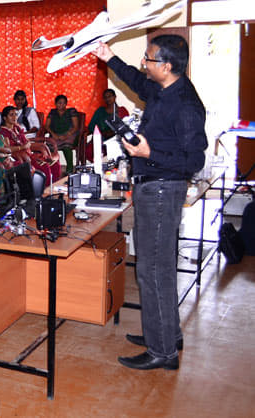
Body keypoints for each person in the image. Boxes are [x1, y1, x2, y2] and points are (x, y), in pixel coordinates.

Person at [94, 37, 206, 371]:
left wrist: (148, 154)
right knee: (161, 266)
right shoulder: (163, 87)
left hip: (161, 190)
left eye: (149, 58)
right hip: (152, 187)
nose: (145, 62)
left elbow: (193, 160)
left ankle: (162, 352)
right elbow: (136, 80)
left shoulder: (186, 104)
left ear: (167, 66)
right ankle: (167, 334)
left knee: (152, 270)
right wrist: (108, 57)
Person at [0, 106, 62, 185]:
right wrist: (23, 147)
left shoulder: (16, 127)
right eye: (11, 115)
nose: (14, 117)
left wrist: (40, 147)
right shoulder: (2, 132)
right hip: (18, 157)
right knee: (44, 166)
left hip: (28, 153)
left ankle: (55, 187)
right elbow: (7, 149)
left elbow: (25, 141)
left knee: (55, 164)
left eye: (16, 114)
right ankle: (45, 191)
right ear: (4, 117)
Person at [86, 88, 131, 160]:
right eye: (105, 97)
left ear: (115, 97)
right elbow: (91, 127)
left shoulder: (122, 110)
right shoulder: (100, 111)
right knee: (89, 150)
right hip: (101, 138)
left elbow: (126, 126)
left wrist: (112, 133)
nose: (108, 99)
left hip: (117, 138)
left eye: (110, 96)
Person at [44, 94, 81, 172]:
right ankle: (53, 168)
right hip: (55, 134)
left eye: (64, 103)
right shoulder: (52, 112)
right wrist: (54, 134)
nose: (62, 105)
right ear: (55, 104)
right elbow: (47, 126)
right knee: (49, 147)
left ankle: (70, 169)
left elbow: (76, 127)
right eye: (59, 103)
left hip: (70, 134)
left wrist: (66, 135)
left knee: (66, 146)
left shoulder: (71, 111)